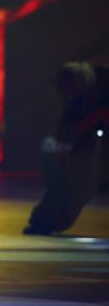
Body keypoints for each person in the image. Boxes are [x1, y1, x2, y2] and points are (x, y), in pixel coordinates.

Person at [24, 62, 109, 235]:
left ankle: (48, 218)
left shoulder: (100, 88)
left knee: (79, 175)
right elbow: (65, 130)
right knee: (73, 174)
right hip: (88, 142)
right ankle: (47, 218)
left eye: (69, 87)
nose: (66, 92)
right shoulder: (78, 100)